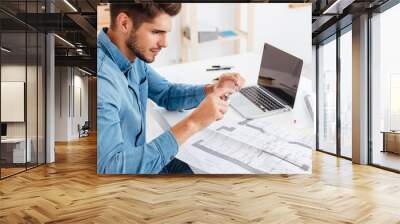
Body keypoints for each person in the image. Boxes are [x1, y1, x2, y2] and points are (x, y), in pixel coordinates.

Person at [97, 2, 245, 174]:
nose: (165, 43)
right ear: (124, 23)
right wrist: (193, 123)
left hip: (143, 160)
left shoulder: (131, 55)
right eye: (156, 32)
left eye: (165, 33)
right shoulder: (103, 82)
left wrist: (211, 89)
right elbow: (110, 168)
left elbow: (166, 93)